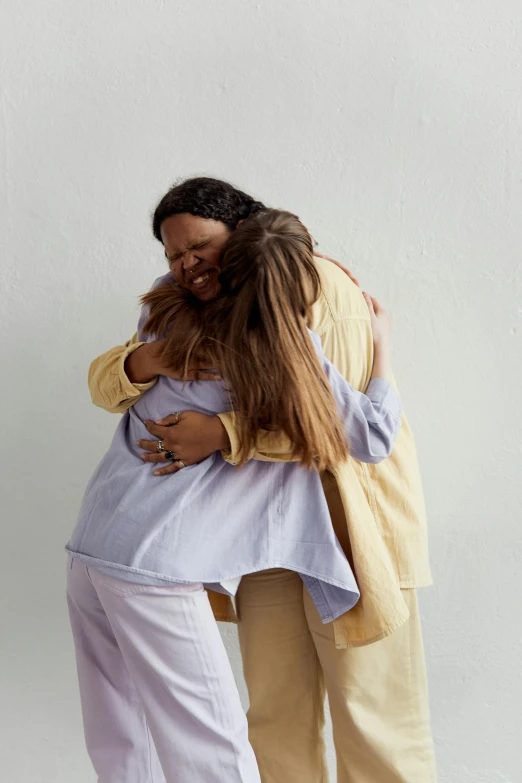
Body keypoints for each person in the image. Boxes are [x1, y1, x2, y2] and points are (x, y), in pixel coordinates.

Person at [89, 177, 437, 782]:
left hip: (355, 538)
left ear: (244, 231)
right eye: (173, 254)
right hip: (269, 540)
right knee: (274, 723)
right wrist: (142, 362)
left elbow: (343, 436)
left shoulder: (315, 291)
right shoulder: (185, 300)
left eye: (199, 247)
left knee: (375, 729)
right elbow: (102, 382)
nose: (185, 266)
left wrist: (224, 433)